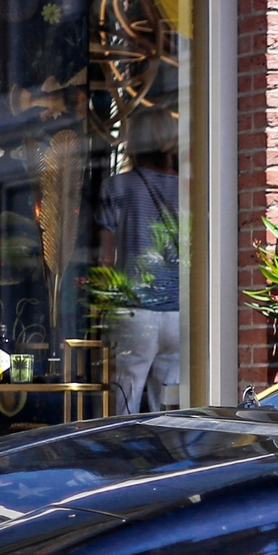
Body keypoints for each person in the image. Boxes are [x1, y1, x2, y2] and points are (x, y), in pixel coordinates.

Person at [97, 160, 182, 414]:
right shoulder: (189, 186)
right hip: (178, 310)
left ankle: (121, 450)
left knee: (126, 397)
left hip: (135, 308)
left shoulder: (116, 186)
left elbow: (106, 257)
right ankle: (166, 453)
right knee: (168, 405)